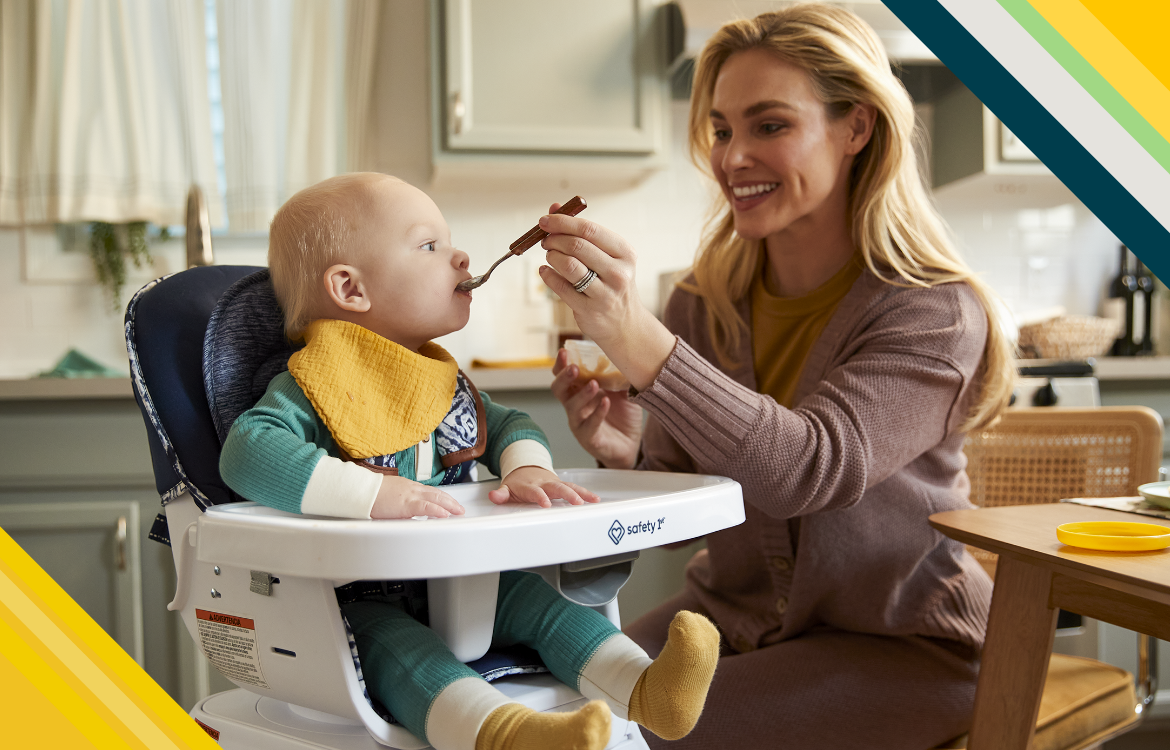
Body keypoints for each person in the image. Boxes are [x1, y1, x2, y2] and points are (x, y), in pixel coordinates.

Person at [538, 5, 1012, 749]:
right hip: (734, 624)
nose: (731, 157)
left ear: (856, 128)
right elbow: (676, 525)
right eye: (722, 129)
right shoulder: (703, 301)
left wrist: (638, 339)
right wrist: (631, 457)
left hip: (905, 646)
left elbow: (812, 468)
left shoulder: (934, 311)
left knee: (629, 736)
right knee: (541, 704)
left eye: (769, 126)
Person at [218, 173, 720, 750]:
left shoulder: (442, 379)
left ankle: (647, 687)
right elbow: (249, 450)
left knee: (540, 603)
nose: (460, 256)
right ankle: (504, 734)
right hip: (357, 599)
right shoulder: (313, 383)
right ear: (350, 288)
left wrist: (526, 469)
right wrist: (369, 496)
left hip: (466, 585)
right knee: (400, 653)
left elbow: (513, 425)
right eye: (429, 246)